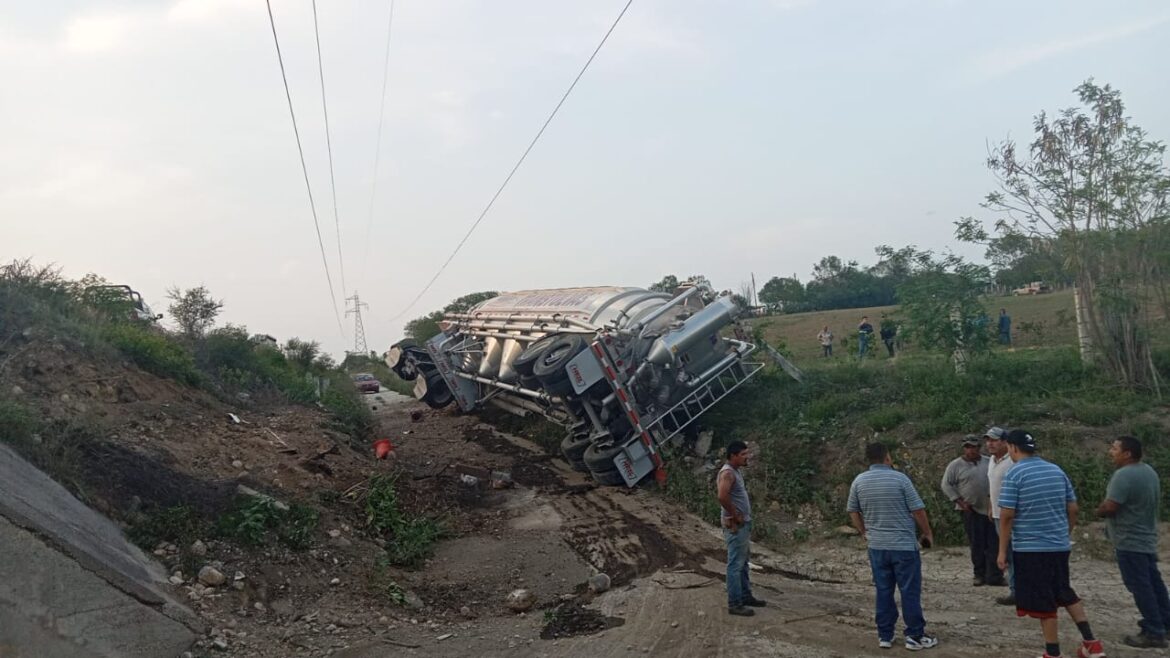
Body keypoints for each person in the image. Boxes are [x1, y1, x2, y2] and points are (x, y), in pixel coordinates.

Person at [997, 429, 1106, 658]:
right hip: (1059, 546)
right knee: (1064, 591)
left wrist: (1002, 551)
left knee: (1043, 602)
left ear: (1013, 448)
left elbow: (1006, 516)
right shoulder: (1056, 470)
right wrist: (1064, 533)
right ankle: (1092, 643)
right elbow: (1073, 509)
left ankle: (1052, 653)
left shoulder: (1015, 474)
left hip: (1031, 550)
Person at [847, 443, 938, 651]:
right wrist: (927, 533)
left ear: (868, 459)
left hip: (877, 546)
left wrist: (864, 532)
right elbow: (918, 510)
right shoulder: (900, 479)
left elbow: (853, 511)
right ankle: (914, 635)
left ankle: (885, 635)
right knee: (909, 591)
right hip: (903, 546)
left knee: (883, 590)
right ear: (887, 457)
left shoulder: (859, 481)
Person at [1096, 436, 1170, 648]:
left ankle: (1154, 632)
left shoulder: (1124, 475)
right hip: (1145, 537)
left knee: (1140, 587)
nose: (1111, 451)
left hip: (1129, 540)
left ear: (1127, 453)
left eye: (1114, 448)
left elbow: (1111, 506)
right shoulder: (1148, 471)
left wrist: (1097, 511)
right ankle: (1165, 624)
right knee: (1154, 584)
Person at [941, 436, 1004, 587]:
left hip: (992, 509)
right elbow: (946, 485)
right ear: (964, 448)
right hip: (971, 510)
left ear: (979, 447)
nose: (971, 450)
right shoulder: (955, 465)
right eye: (968, 447)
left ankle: (995, 576)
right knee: (977, 544)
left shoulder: (989, 461)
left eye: (974, 447)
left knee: (994, 544)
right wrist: (959, 501)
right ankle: (979, 575)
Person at [718, 441, 765, 616]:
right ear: (733, 456)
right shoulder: (728, 473)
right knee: (735, 564)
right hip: (736, 525)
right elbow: (722, 496)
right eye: (743, 454)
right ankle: (735, 603)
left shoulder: (735, 471)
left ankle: (745, 596)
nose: (747, 457)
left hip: (741, 524)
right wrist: (735, 514)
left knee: (743, 562)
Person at [984, 426, 1017, 606]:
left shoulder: (1012, 461)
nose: (990, 443)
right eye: (988, 440)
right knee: (1008, 553)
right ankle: (1016, 589)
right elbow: (993, 485)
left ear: (1005, 442)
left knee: (1011, 553)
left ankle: (1016, 591)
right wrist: (991, 506)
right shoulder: (992, 460)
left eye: (994, 440)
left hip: (1010, 515)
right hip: (997, 514)